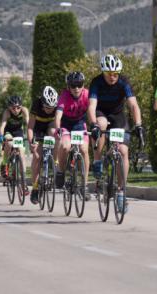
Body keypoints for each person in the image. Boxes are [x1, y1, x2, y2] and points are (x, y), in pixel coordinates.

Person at [88, 54, 144, 210]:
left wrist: (138, 124)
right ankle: (98, 160)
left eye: (115, 74)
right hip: (101, 113)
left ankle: (121, 191)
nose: (112, 77)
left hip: (118, 115)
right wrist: (93, 124)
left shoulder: (123, 81)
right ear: (103, 73)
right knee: (102, 124)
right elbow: (91, 106)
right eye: (109, 74)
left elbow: (133, 105)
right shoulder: (96, 82)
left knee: (123, 151)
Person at [54, 71, 90, 199]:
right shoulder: (64, 96)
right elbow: (58, 115)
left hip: (80, 124)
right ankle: (60, 171)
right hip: (66, 125)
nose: (76, 88)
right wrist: (58, 128)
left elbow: (93, 111)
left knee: (84, 150)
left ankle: (84, 185)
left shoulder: (87, 94)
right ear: (68, 87)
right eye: (73, 85)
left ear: (83, 85)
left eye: (79, 85)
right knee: (65, 146)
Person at [27, 86, 58, 204]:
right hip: (37, 129)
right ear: (42, 103)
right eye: (47, 107)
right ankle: (35, 188)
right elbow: (30, 127)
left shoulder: (56, 107)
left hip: (50, 127)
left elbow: (60, 124)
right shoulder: (36, 105)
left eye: (52, 108)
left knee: (54, 133)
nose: (49, 110)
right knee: (37, 157)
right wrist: (31, 143)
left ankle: (55, 163)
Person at [0, 96, 30, 195]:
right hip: (8, 132)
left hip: (18, 133)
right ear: (9, 108)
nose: (16, 110)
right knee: (9, 143)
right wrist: (1, 136)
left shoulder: (24, 110)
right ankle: (4, 163)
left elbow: (28, 123)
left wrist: (31, 134)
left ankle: (24, 182)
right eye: (13, 108)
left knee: (21, 154)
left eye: (18, 107)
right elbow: (2, 125)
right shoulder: (7, 113)